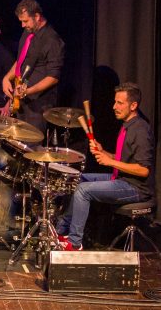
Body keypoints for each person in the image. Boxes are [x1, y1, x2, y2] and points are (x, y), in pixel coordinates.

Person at [57, 83, 155, 250]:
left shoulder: (140, 130)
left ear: (133, 105)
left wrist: (110, 162)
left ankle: (74, 243)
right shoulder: (127, 126)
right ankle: (61, 231)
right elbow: (124, 159)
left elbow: (143, 170)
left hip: (135, 188)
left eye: (120, 103)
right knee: (77, 179)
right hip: (120, 178)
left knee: (83, 190)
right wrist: (105, 153)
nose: (114, 107)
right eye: (115, 102)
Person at [0, 0, 65, 132]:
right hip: (21, 101)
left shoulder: (52, 40)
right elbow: (21, 60)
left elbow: (53, 77)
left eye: (25, 21)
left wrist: (28, 91)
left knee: (32, 149)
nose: (23, 25)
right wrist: (7, 78)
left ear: (37, 16)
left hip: (38, 105)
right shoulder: (28, 32)